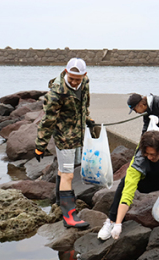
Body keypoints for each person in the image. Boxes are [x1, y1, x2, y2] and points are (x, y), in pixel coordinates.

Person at [35, 58, 95, 228]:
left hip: (78, 133)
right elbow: (48, 120)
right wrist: (40, 146)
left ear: (84, 75)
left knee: (64, 171)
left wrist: (87, 118)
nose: (75, 81)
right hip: (63, 137)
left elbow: (84, 103)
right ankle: (69, 217)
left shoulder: (85, 83)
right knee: (68, 174)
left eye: (78, 78)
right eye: (72, 78)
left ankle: (57, 201)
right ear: (65, 72)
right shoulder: (56, 93)